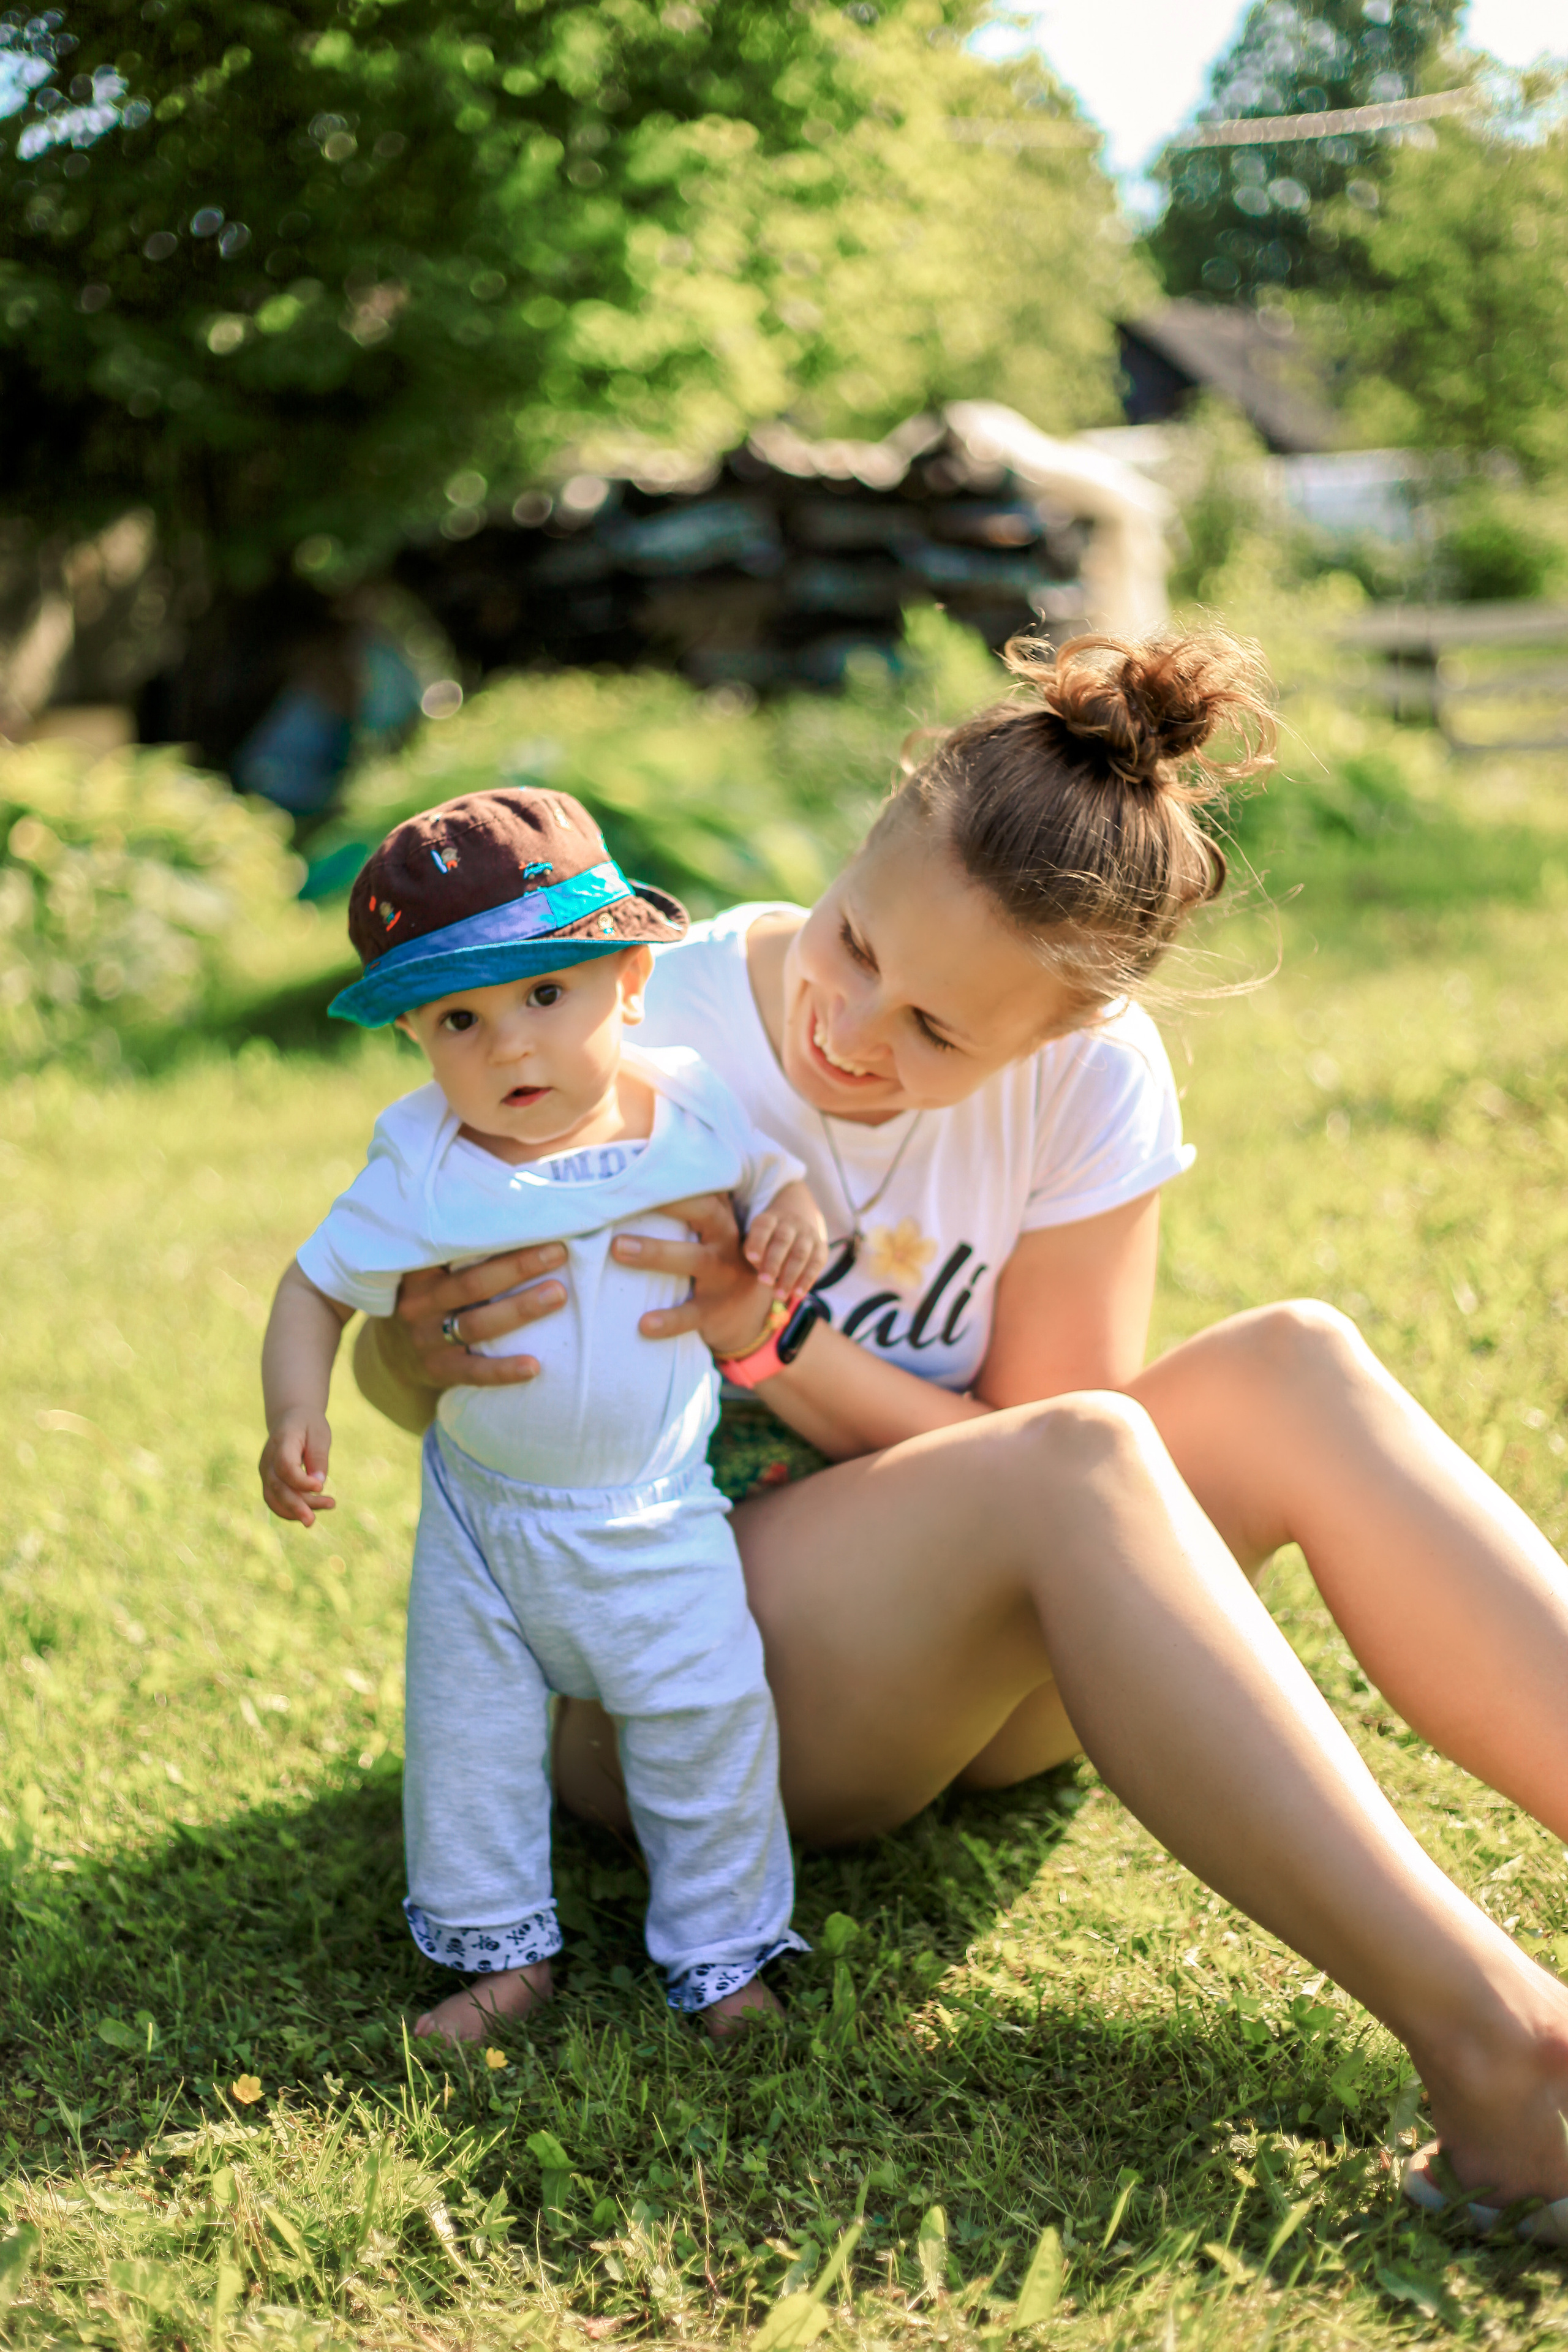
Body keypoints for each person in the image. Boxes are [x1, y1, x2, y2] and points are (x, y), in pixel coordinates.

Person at [354, 633, 1568, 2242]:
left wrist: (772, 1341)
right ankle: (1511, 2056)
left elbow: (1044, 1432)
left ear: (1059, 1036)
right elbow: (407, 1366)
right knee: (1082, 1460)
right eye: (853, 944)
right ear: (859, 848)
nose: (851, 1031)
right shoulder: (645, 1032)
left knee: (1295, 1367)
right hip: (674, 1682)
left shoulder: (1089, 1083)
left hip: (977, 1667)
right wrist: (399, 1357)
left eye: (939, 1035)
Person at [258, 787, 829, 2043]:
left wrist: (793, 1214)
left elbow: (775, 1174)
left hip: (657, 1507)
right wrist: (294, 1411)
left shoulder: (688, 1106)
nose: (509, 1049)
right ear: (412, 1030)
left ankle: (723, 1957)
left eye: (544, 997)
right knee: (468, 1749)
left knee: (708, 1717)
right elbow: (313, 1287)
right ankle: (499, 1956)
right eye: (460, 1018)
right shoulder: (419, 1167)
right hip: (485, 1529)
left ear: (629, 981)